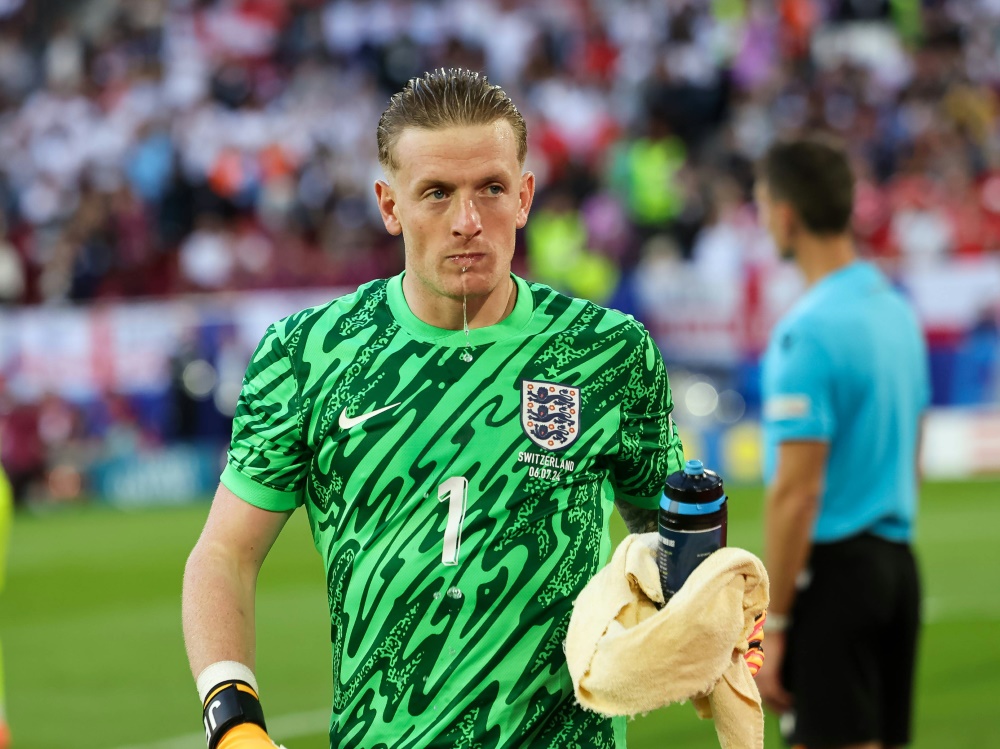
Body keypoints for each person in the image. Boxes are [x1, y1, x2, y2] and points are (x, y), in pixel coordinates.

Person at [182, 68, 686, 749]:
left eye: (491, 189)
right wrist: (231, 714)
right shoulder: (309, 354)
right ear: (390, 205)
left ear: (526, 195)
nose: (468, 221)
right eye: (437, 194)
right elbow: (222, 554)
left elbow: (674, 536)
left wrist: (704, 603)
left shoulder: (609, 352)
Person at [753, 138, 930, 749]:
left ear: (785, 215)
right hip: (898, 565)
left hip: (834, 578)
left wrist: (772, 628)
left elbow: (796, 494)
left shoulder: (806, 333)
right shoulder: (896, 309)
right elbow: (915, 455)